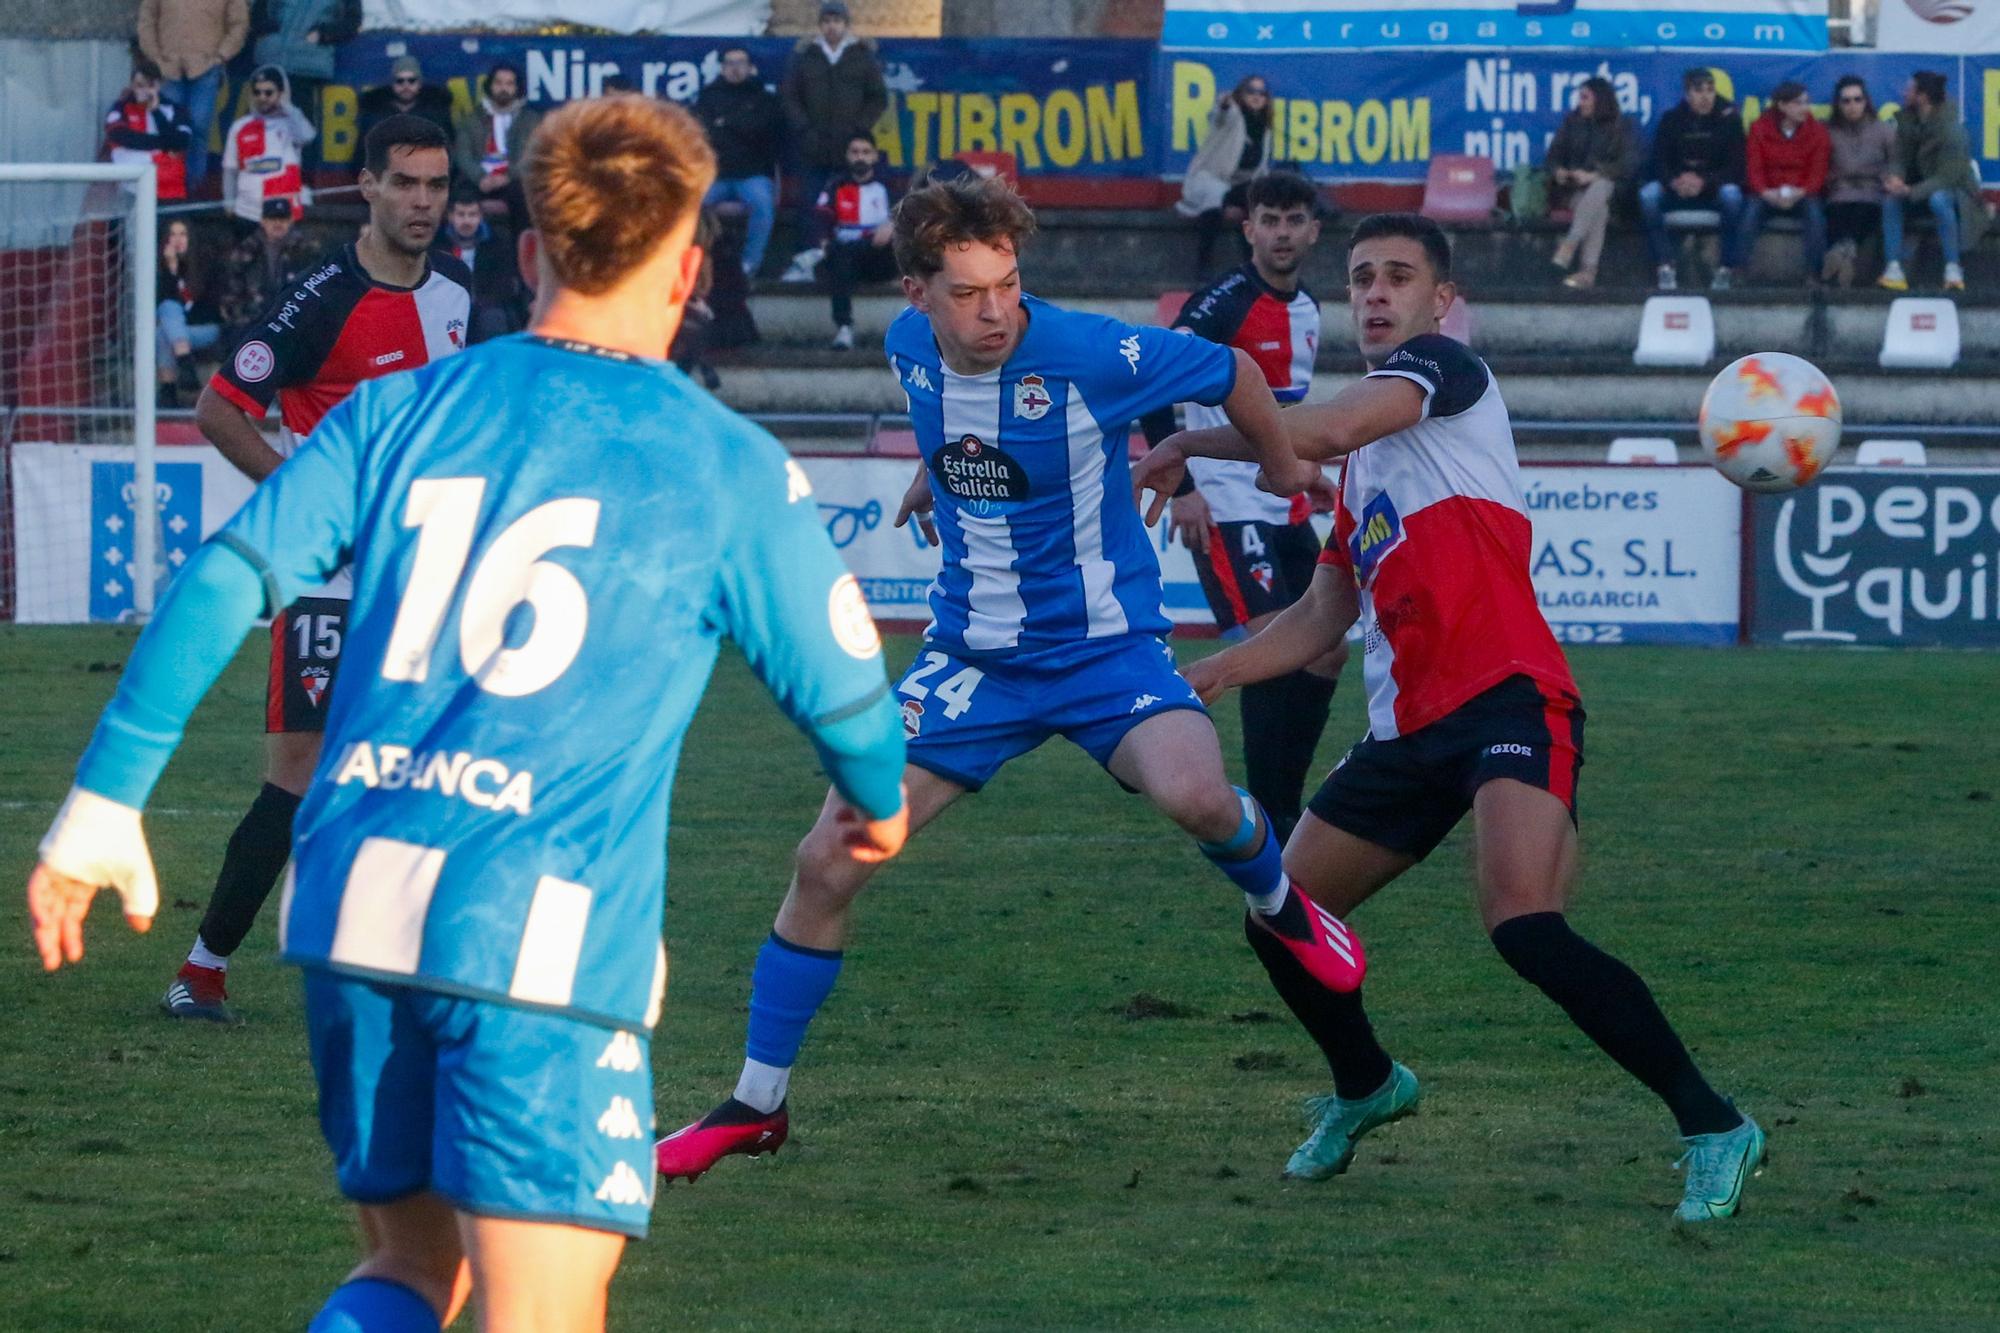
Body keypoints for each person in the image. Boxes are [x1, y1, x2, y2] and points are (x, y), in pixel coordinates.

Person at [29, 93, 908, 1332]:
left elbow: (230, 572)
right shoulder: (725, 463)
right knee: (537, 1309)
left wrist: (107, 798)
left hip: (347, 902)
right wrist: (875, 811)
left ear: (533, 253)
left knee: (405, 1272)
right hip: (539, 935)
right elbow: (855, 711)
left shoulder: (400, 412)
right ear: (693, 270)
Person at [655, 173, 1349, 1185]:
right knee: (825, 863)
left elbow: (1232, 366)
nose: (995, 311)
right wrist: (932, 469)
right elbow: (954, 418)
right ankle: (754, 1103)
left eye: (1008, 285)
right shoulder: (907, 350)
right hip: (970, 662)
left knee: (1198, 796)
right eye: (970, 292)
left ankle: (1283, 902)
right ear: (917, 295)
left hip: (1103, 651)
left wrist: (1281, 465)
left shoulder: (1084, 351)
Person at [1132, 212, 1764, 1223]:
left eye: (1396, 276)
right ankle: (1364, 1084)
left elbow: (1323, 427)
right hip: (1404, 732)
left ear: (1441, 300)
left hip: (1508, 696)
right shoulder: (1364, 478)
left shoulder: (1444, 371)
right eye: (1360, 280)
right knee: (1279, 912)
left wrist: (1188, 438)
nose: (1374, 294)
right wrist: (1208, 674)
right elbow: (1319, 615)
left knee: (1523, 924)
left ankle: (1711, 1123)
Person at [160, 115, 473, 1024]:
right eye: (406, 183)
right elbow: (222, 411)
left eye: (437, 185)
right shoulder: (316, 300)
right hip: (329, 579)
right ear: (367, 187)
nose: (423, 202)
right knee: (295, 780)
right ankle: (203, 966)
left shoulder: (455, 288)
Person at [1140, 170, 1343, 844]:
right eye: (1270, 220)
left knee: (1326, 650)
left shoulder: (1310, 309)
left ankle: (1281, 799)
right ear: (1248, 228)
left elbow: (1280, 415)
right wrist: (1190, 486)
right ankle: (1271, 811)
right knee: (1270, 645)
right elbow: (1153, 381)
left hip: (1280, 504)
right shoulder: (1225, 301)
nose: (1282, 233)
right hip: (1224, 505)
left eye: (1294, 221)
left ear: (1312, 230)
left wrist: (1304, 470)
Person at [779, 1, 888, 281]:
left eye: (837, 21)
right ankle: (806, 263)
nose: (832, 26)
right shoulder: (806, 57)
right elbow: (789, 96)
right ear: (820, 25)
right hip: (813, 147)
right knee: (811, 206)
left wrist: (859, 129)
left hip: (849, 150)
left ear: (846, 24)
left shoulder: (861, 57)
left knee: (848, 207)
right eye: (826, 21)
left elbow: (878, 97)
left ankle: (846, 265)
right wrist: (804, 128)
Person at [1639, 68, 1747, 292]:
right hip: (1677, 189)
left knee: (1733, 196)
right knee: (1647, 195)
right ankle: (1665, 264)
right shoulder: (1671, 120)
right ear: (1687, 94)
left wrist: (1704, 182)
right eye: (1699, 91)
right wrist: (1674, 182)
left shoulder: (1730, 120)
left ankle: (1726, 267)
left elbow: (1737, 167)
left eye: (1710, 90)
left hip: (1712, 190)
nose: (1706, 96)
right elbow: (1658, 162)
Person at [1883, 70, 1986, 293]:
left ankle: (1953, 267)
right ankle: (1893, 268)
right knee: (1891, 200)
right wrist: (1896, 178)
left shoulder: (1952, 130)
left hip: (1957, 192)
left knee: (1939, 200)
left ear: (1923, 96)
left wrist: (1910, 190)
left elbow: (1949, 177)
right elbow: (1899, 158)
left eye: (1909, 89)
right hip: (1918, 188)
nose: (1903, 92)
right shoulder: (1907, 121)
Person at [136, 0, 249, 194]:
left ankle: (192, 188)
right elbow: (147, 20)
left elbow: (239, 23)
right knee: (167, 128)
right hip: (168, 69)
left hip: (206, 68)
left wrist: (221, 56)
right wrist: (156, 58)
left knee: (198, 126)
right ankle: (167, 187)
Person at [695, 45, 784, 277]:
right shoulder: (708, 96)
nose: (735, 69)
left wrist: (725, 122)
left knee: (763, 205)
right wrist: (742, 124)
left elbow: (765, 132)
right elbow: (704, 134)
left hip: (753, 174)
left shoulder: (765, 98)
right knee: (690, 207)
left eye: (741, 63)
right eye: (730, 63)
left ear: (751, 67)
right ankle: (699, 266)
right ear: (722, 68)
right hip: (716, 174)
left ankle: (748, 266)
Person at [1175, 75, 1274, 275]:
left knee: (1255, 205)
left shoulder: (1264, 126)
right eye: (1251, 92)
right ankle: (1203, 264)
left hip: (1239, 184)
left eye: (1261, 93)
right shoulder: (1234, 115)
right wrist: (1224, 104)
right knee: (1214, 200)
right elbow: (1219, 115)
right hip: (1212, 177)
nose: (1256, 97)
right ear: (1241, 94)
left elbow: (1259, 168)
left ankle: (1253, 268)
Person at [1545, 76, 1636, 290]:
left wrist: (1594, 175)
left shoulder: (1622, 126)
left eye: (1586, 97)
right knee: (1598, 209)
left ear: (1600, 100)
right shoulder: (1572, 122)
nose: (1581, 103)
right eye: (1580, 98)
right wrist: (1559, 171)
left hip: (1614, 193)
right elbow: (1552, 157)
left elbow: (1629, 164)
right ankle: (1588, 272)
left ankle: (1570, 243)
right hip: (1574, 191)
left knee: (1602, 185)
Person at [1741, 81, 1829, 284]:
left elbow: (1818, 173)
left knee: (1815, 214)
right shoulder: (1759, 128)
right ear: (1782, 105)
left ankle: (1814, 274)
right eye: (1798, 103)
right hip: (1768, 192)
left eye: (1806, 103)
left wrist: (1800, 192)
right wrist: (1765, 193)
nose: (1804, 108)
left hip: (1802, 193)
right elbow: (1754, 169)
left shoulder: (1817, 132)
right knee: (1750, 211)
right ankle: (1739, 270)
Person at [818, 133, 897, 349]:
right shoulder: (835, 186)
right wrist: (824, 241)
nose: (860, 157)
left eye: (865, 152)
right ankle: (844, 329)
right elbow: (822, 219)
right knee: (839, 255)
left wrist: (892, 225)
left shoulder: (888, 188)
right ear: (846, 156)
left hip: (878, 258)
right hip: (846, 260)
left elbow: (908, 217)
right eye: (854, 152)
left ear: (874, 156)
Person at [222, 64, 315, 231]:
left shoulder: (292, 123)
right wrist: (229, 204)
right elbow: (230, 170)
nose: (262, 97)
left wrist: (286, 106)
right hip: (247, 212)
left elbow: (308, 136)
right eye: (257, 92)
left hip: (284, 213)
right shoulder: (240, 126)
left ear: (281, 93)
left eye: (268, 92)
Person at [1824, 75, 1897, 288]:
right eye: (1846, 101)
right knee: (1836, 211)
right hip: (1839, 191)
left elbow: (1896, 163)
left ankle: (1839, 258)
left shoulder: (1884, 130)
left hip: (1872, 191)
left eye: (1857, 99)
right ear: (1838, 104)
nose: (1852, 106)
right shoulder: (1828, 131)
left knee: (1865, 209)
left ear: (1866, 102)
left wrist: (1888, 179)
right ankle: (1845, 257)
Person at [453, 60, 542, 230]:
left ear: (517, 88)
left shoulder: (530, 120)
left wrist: (507, 176)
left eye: (509, 83)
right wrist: (480, 177)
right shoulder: (472, 119)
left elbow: (533, 157)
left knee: (525, 196)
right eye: (499, 83)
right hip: (478, 180)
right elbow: (462, 155)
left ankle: (522, 251)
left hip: (513, 180)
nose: (503, 88)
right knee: (459, 195)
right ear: (490, 86)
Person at [248, 0, 361, 134]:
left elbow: (352, 22)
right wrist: (266, 28)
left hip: (306, 64)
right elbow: (258, 10)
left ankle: (302, 155)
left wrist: (322, 34)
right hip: (270, 58)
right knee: (257, 125)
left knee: (300, 127)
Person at [436, 185, 529, 344]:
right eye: (461, 215)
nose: (467, 221)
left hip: (485, 307)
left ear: (480, 216)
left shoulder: (497, 242)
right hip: (447, 306)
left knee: (493, 317)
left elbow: (503, 285)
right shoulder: (438, 244)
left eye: (472, 215)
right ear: (451, 216)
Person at [219, 196, 322, 336]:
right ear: (263, 221)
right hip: (252, 319)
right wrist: (239, 315)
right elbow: (232, 288)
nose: (278, 223)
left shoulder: (305, 250)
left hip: (293, 319)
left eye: (283, 219)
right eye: (273, 219)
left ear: (291, 220)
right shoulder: (246, 249)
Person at [105, 58, 193, 202]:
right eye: (139, 85)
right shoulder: (121, 108)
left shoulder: (176, 109)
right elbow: (119, 135)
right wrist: (165, 145)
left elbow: (182, 142)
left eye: (149, 85)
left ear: (160, 85)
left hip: (170, 190)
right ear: (131, 85)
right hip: (132, 189)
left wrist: (156, 112)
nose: (144, 91)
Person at [157, 218, 221, 406]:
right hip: (178, 335)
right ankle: (182, 370)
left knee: (168, 316)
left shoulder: (205, 264)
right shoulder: (160, 269)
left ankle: (169, 389)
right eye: (172, 235)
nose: (178, 239)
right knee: (164, 323)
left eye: (182, 234)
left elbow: (203, 306)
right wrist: (171, 269)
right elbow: (160, 303)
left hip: (204, 327)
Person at [359, 54, 456, 144]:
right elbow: (363, 153)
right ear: (393, 84)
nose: (406, 86)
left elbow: (447, 148)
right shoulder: (375, 114)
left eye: (412, 80)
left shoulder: (437, 114)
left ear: (419, 84)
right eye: (400, 81)